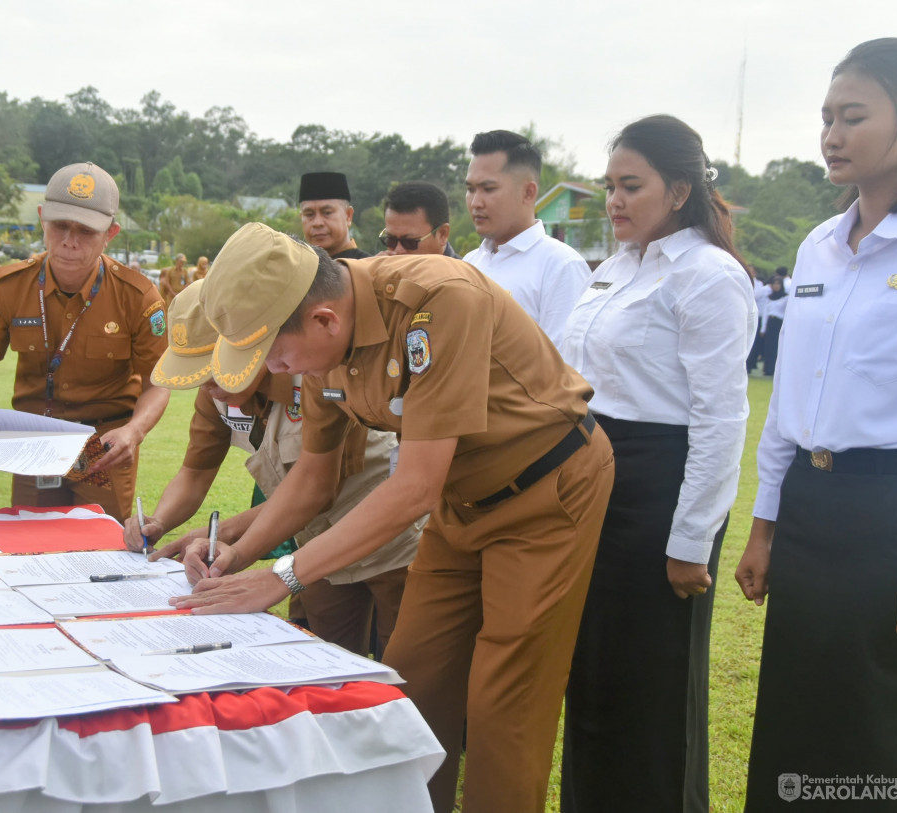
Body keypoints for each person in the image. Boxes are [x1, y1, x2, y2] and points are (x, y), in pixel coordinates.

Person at [170, 223, 614, 813]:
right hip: (461, 501)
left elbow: (413, 489)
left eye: (273, 352)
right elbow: (313, 478)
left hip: (545, 493)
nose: (272, 368)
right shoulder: (317, 334)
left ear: (324, 320)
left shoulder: (437, 299)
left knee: (504, 703)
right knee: (411, 684)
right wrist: (238, 554)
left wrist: (283, 577)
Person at [735, 38, 897, 810]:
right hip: (812, 513)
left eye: (854, 116)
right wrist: (764, 524)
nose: (832, 134)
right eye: (826, 117)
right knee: (798, 707)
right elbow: (790, 399)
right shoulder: (820, 243)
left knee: (884, 725)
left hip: (896, 514)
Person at [558, 115, 756, 813]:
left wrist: (689, 539)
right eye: (610, 185)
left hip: (657, 485)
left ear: (678, 190)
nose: (614, 200)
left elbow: (721, 417)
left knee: (652, 684)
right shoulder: (616, 268)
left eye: (630, 185)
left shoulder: (707, 275)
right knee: (594, 673)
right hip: (594, 476)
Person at [127, 280, 422, 656]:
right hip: (315, 551)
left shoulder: (312, 369)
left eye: (212, 371)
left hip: (390, 542)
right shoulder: (217, 395)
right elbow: (195, 472)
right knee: (325, 661)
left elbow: (317, 489)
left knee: (405, 664)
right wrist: (159, 522)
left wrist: (232, 540)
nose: (206, 387)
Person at [0, 162, 170, 523]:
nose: (69, 241)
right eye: (60, 225)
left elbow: (157, 382)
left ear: (111, 233)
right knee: (30, 541)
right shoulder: (6, 286)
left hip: (101, 447)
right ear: (42, 218)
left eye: (86, 231)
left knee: (101, 547)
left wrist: (133, 432)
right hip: (34, 441)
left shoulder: (137, 296)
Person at [462, 130, 590, 348]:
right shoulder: (469, 263)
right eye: (471, 189)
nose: (475, 202)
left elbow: (561, 367)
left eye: (488, 189)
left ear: (528, 192)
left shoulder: (560, 266)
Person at [377, 180, 461, 258]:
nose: (398, 251)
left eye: (409, 243)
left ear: (443, 234)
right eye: (391, 241)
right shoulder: (379, 271)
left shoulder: (465, 273)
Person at [299, 172, 370, 259]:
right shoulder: (297, 269)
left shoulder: (369, 268)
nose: (317, 223)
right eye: (309, 214)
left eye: (327, 213)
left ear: (348, 215)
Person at [758, 274, 788, 376]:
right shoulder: (769, 297)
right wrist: (763, 328)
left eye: (778, 284)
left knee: (777, 347)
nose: (776, 286)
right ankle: (768, 368)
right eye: (774, 284)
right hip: (770, 322)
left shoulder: (785, 297)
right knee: (768, 347)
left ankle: (775, 369)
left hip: (779, 323)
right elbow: (766, 314)